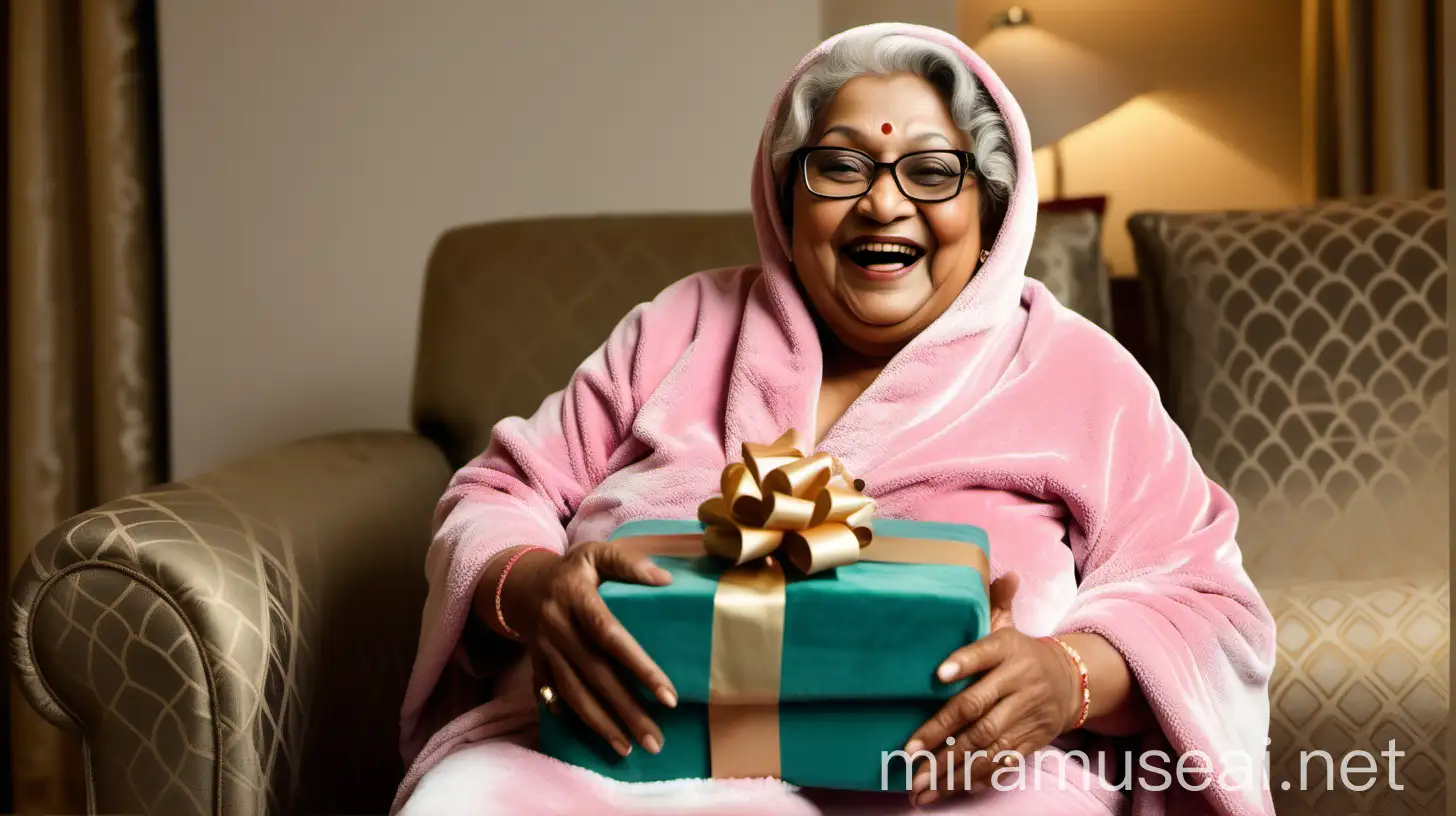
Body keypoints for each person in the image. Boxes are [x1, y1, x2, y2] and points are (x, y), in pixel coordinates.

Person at [392, 23, 1276, 816]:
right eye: (841, 165)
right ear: (787, 195)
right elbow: (501, 491)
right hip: (621, 760)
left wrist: (1067, 677)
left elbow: (1206, 603)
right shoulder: (678, 328)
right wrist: (534, 588)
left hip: (957, 784)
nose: (883, 203)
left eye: (932, 170)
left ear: (990, 207)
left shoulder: (1076, 370)